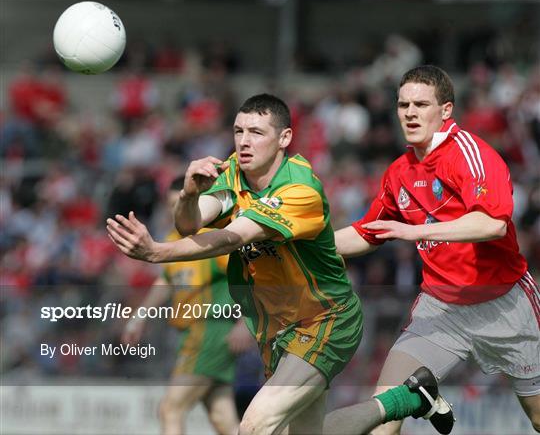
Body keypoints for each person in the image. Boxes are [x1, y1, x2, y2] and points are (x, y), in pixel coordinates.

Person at [107, 93, 453, 434]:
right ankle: (408, 399)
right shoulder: (232, 175)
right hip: (277, 330)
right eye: (238, 131)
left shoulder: (300, 190)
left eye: (256, 133)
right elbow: (191, 222)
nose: (244, 141)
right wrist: (188, 194)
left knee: (255, 425)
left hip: (324, 319)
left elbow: (235, 237)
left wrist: (156, 251)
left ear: (284, 137)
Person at [324, 65, 540, 435]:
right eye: (403, 104)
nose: (409, 112)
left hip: (505, 304)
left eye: (421, 104)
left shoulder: (471, 154)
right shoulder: (399, 171)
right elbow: (368, 232)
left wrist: (412, 231)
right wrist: (301, 245)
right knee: (384, 416)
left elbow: (492, 224)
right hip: (440, 309)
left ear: (446, 110)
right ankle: (421, 398)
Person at [121, 176, 253, 435]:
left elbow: (249, 276)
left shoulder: (209, 238)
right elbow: (167, 281)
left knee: (171, 408)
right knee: (223, 418)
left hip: (209, 330)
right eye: (171, 206)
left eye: (179, 204)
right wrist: (140, 316)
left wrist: (245, 322)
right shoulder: (172, 240)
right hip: (194, 333)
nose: (175, 212)